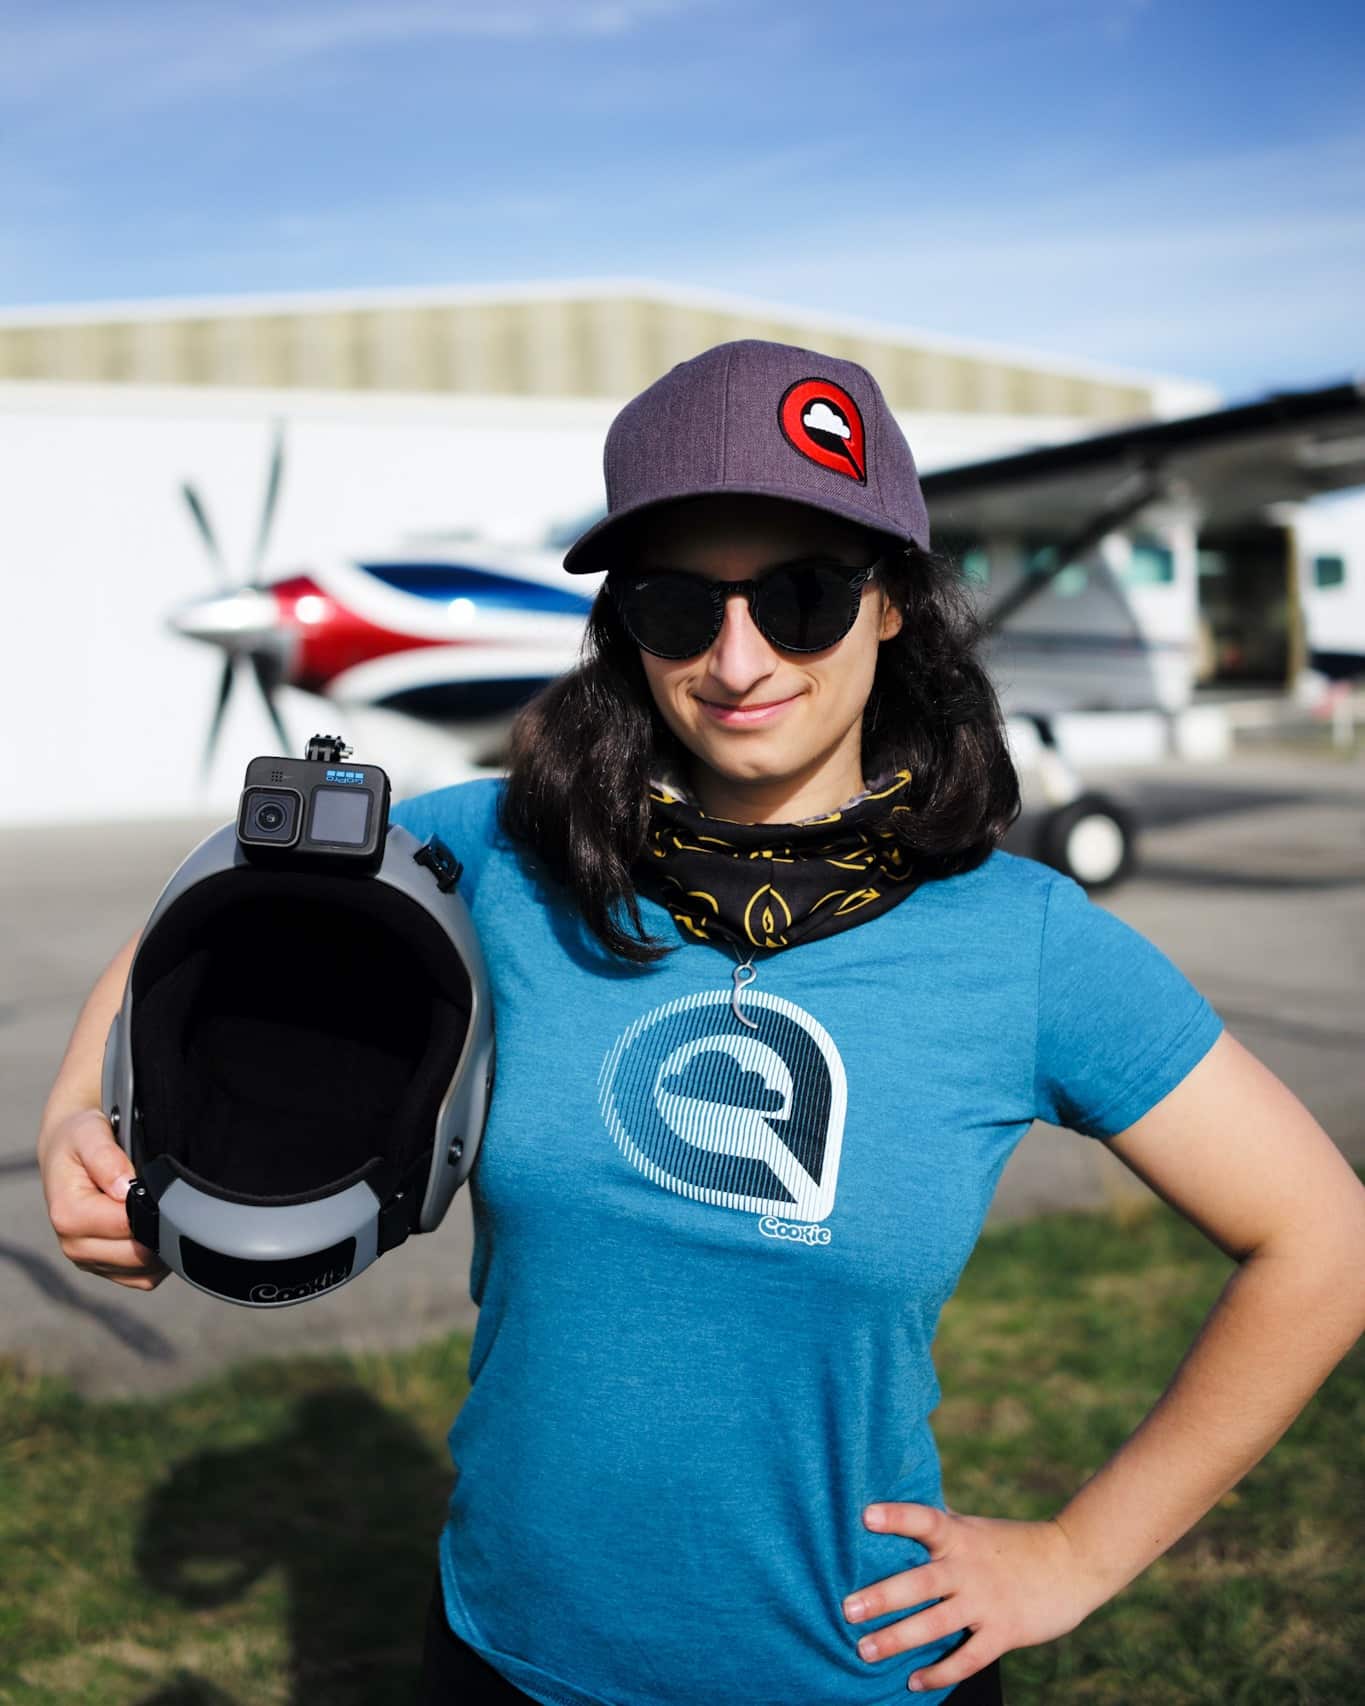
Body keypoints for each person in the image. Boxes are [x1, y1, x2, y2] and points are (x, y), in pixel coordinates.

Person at [37, 339, 1365, 1706]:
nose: (737, 659)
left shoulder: (1020, 941)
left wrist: (1080, 1551)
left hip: (848, 1676)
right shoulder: (500, 852)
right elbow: (199, 916)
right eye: (678, 603)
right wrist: (85, 1113)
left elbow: (1321, 1239)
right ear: (626, 621)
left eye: (801, 594)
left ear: (892, 600)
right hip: (506, 1659)